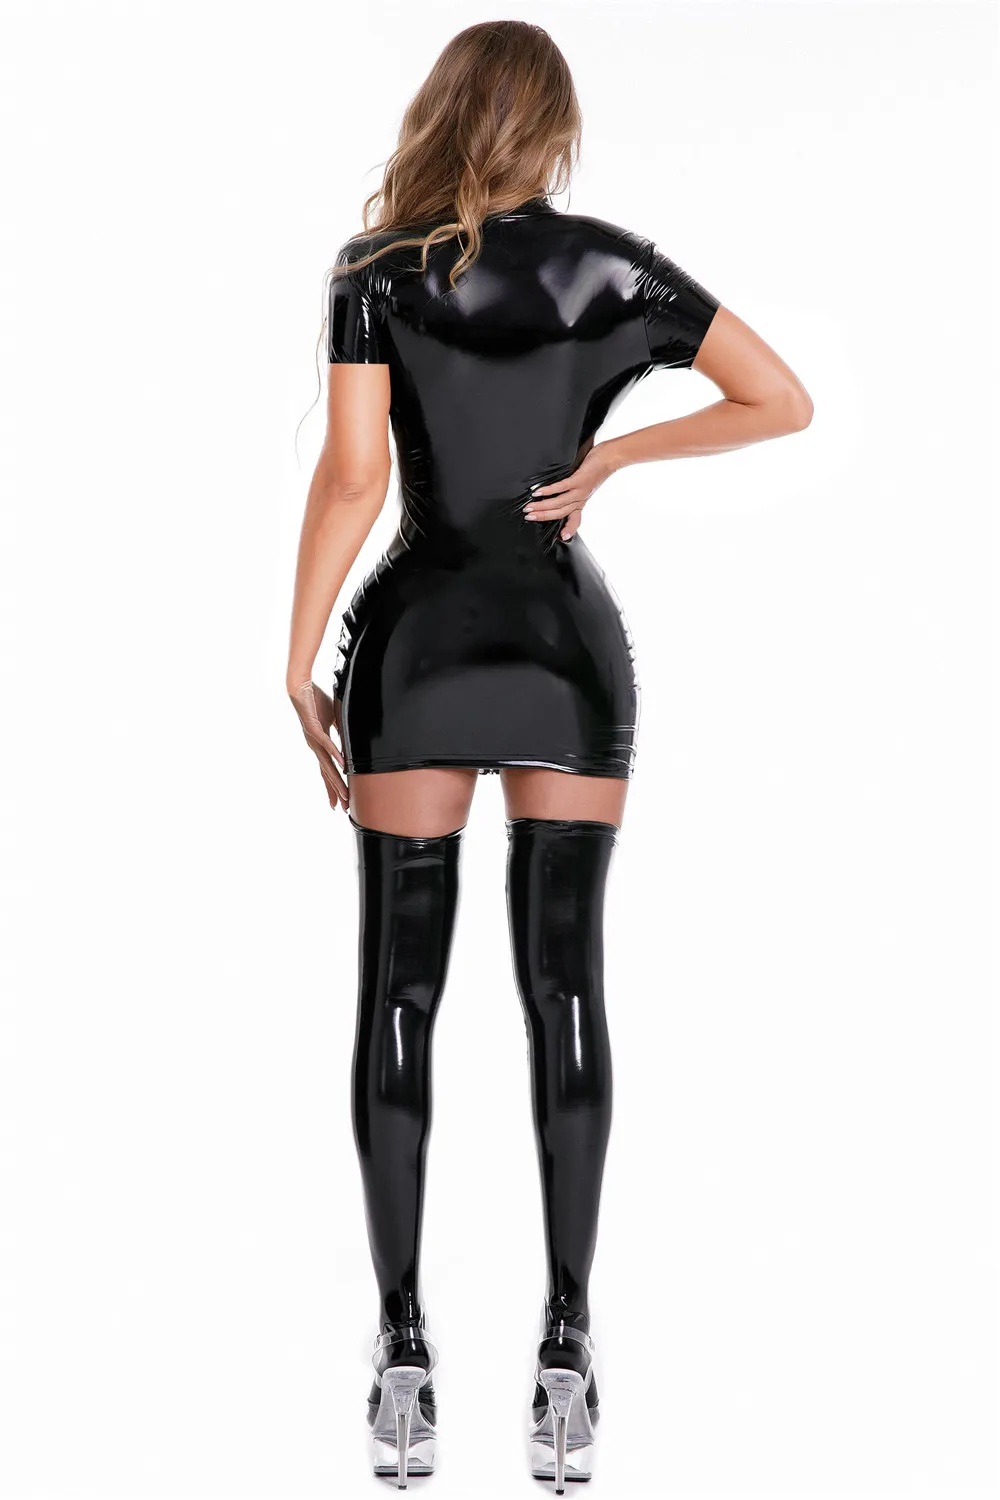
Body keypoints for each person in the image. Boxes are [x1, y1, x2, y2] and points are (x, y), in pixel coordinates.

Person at [287, 19, 812, 1491]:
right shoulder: (610, 270)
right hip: (564, 658)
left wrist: (296, 654)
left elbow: (355, 474)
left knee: (398, 992)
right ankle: (567, 1351)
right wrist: (616, 456)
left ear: (444, 111)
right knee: (566, 986)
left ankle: (401, 1353)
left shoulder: (374, 272)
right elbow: (782, 398)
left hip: (416, 650)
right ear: (555, 128)